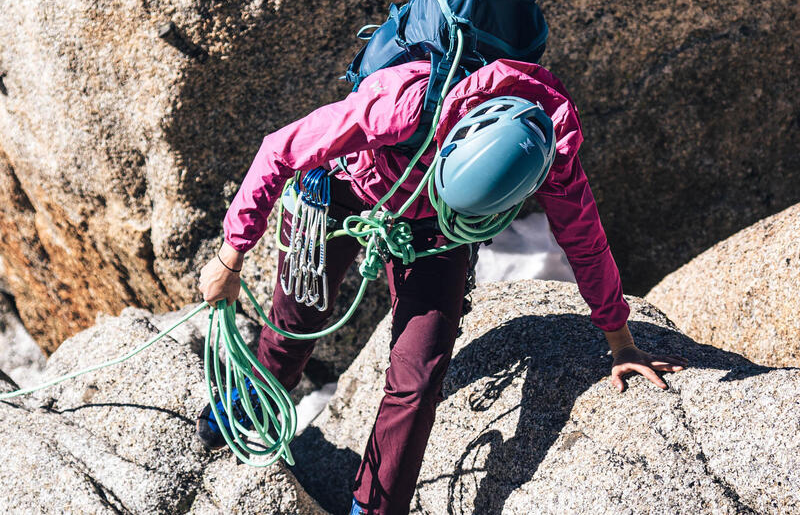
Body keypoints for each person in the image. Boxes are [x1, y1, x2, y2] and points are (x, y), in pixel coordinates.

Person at [197, 57, 688, 514]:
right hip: (342, 188)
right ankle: (256, 402)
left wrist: (621, 342)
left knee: (419, 377)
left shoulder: (552, 156)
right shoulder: (400, 105)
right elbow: (279, 149)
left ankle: (374, 509)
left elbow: (587, 245)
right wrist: (231, 255)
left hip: (439, 228)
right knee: (298, 319)